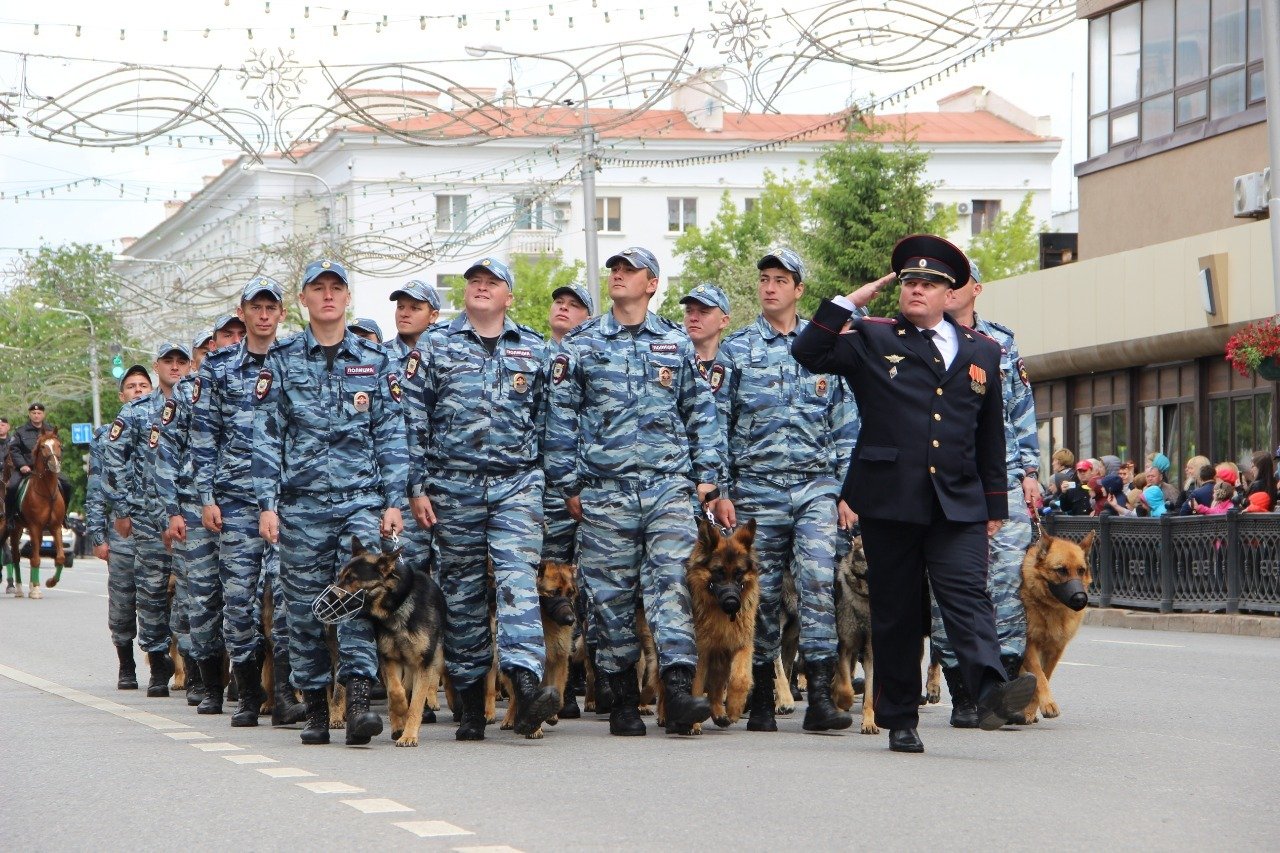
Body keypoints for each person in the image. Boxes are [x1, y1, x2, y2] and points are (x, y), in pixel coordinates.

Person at [791, 233, 1037, 754]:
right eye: (909, 282)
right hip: (889, 496)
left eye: (929, 283)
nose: (916, 290)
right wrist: (847, 303)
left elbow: (990, 434)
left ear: (951, 294)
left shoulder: (983, 351)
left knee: (968, 594)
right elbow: (808, 351)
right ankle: (901, 717)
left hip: (959, 499)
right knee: (898, 610)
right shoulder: (872, 337)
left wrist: (995, 504)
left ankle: (990, 686)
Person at [545, 245, 724, 737]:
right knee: (610, 598)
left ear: (652, 283)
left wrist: (707, 480)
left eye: (630, 270)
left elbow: (700, 412)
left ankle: (680, 690)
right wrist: (568, 485)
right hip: (605, 491)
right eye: (614, 270)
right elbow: (559, 419)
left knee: (673, 585)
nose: (619, 275)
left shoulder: (675, 341)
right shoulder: (581, 343)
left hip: (668, 488)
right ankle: (621, 699)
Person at [254, 258, 408, 747]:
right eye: (317, 288)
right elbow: (266, 437)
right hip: (301, 507)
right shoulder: (280, 361)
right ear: (303, 300)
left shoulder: (374, 359)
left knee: (359, 596)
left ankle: (359, 700)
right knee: (303, 610)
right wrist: (267, 503)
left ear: (347, 298)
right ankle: (318, 707)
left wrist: (393, 500)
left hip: (360, 502)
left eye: (335, 288)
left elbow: (390, 432)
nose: (327, 296)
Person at [404, 256, 559, 741]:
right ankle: (471, 703)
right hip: (453, 487)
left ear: (509, 296)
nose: (482, 288)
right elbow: (412, 422)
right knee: (464, 592)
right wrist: (416, 488)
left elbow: (552, 423)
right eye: (475, 281)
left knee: (516, 580)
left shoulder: (534, 349)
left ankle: (527, 684)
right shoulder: (434, 347)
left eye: (493, 282)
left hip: (517, 484)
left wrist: (548, 483)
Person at [712, 247, 856, 733]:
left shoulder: (825, 348)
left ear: (799, 290)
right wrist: (721, 490)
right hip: (757, 488)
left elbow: (845, 425)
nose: (770, 286)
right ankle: (760, 701)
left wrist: (846, 492)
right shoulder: (736, 350)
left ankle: (818, 695)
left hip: (816, 486)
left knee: (817, 583)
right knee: (763, 592)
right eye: (764, 279)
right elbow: (718, 424)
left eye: (781, 279)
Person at [929, 259, 1041, 728]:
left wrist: (1031, 469)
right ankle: (962, 692)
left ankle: (1004, 688)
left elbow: (1019, 405)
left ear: (976, 288)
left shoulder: (1001, 341)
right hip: (950, 479)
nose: (948, 290)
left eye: (956, 283)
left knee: (1007, 584)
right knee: (949, 587)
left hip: (1004, 477)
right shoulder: (922, 339)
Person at [195, 280, 306, 727]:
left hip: (285, 500)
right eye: (255, 307)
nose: (263, 315)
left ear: (282, 314)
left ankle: (283, 694)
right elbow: (205, 437)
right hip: (236, 500)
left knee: (285, 598)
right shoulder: (219, 368)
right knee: (239, 601)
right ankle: (246, 691)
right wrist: (206, 497)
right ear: (241, 312)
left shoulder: (296, 361)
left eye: (271, 307)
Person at [102, 343, 192, 697]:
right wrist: (121, 510)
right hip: (150, 520)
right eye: (167, 361)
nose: (174, 366)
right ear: (157, 366)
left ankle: (195, 665)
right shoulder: (138, 411)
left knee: (191, 594)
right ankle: (157, 663)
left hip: (191, 517)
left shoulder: (200, 405)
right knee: (152, 592)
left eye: (180, 361)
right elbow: (113, 459)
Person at [153, 328, 216, 709]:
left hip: (241, 504)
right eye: (206, 347)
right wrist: (171, 511)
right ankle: (196, 671)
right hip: (191, 506)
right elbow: (165, 456)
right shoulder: (184, 395)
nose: (214, 350)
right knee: (197, 593)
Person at [87, 364, 154, 687]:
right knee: (123, 599)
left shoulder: (162, 425)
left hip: (155, 524)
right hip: (123, 530)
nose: (138, 390)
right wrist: (98, 536)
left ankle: (160, 665)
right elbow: (97, 487)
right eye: (131, 386)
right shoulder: (104, 437)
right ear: (121, 395)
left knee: (157, 598)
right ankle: (126, 664)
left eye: (143, 385)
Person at [384, 279, 443, 581]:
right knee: (407, 574)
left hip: (448, 480)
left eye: (415, 308)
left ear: (433, 315)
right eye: (401, 307)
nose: (404, 313)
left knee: (454, 577)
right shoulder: (379, 358)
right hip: (403, 483)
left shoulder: (449, 354)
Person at [6, 402, 73, 528]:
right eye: (34, 413)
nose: (36, 415)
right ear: (29, 414)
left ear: (43, 414)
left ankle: (64, 515)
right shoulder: (20, 431)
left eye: (39, 413)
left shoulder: (51, 430)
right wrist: (22, 465)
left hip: (48, 470)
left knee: (67, 484)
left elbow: (58, 449)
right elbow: (14, 450)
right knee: (11, 487)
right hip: (26, 469)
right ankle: (10, 517)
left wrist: (56, 463)